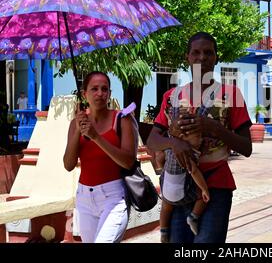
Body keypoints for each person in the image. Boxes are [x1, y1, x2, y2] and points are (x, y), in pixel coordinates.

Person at [147, 32, 253, 243]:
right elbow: (152, 139)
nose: (202, 58)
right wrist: (173, 142)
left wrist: (215, 128)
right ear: (187, 57)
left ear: (216, 58)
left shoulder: (230, 95)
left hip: (215, 188)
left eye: (208, 53)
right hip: (179, 186)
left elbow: (246, 147)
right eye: (195, 52)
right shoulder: (172, 96)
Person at [63, 71, 137, 243]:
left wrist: (96, 137)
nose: (100, 93)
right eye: (94, 89)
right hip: (84, 198)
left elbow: (128, 161)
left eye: (105, 89)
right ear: (84, 94)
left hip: (113, 197)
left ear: (110, 93)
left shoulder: (122, 119)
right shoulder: (77, 123)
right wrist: (78, 130)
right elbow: (68, 164)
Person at [158, 96, 211, 243]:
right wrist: (204, 188)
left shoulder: (169, 147)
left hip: (167, 189)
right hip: (181, 193)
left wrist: (164, 168)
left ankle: (163, 231)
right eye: (197, 137)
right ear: (183, 137)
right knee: (202, 197)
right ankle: (193, 217)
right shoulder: (187, 154)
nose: (200, 140)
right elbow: (194, 172)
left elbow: (159, 160)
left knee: (165, 208)